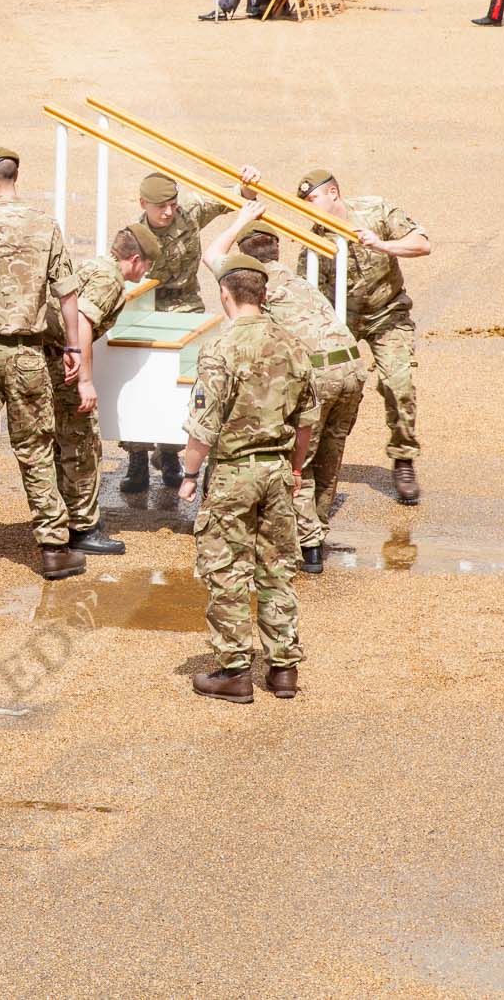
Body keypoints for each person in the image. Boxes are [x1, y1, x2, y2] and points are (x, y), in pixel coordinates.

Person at [176, 253, 317, 705]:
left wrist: (189, 474)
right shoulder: (293, 344)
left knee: (227, 570)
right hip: (277, 469)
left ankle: (235, 670)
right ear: (264, 294)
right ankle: (283, 669)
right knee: (276, 567)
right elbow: (307, 419)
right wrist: (295, 469)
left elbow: (204, 425)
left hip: (234, 472)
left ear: (225, 294)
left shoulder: (219, 349)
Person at [203, 200, 363, 575]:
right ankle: (317, 529)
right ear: (278, 249)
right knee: (330, 455)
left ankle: (308, 548)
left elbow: (211, 253)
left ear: (245, 257)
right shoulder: (297, 280)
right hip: (352, 366)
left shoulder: (256, 281)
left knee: (299, 457)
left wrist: (241, 217)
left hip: (319, 374)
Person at [0, 147, 85, 585]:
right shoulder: (44, 224)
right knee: (35, 449)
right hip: (27, 352)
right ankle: (52, 548)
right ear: (13, 177)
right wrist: (73, 347)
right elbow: (67, 293)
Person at [284, 166, 430, 504]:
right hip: (342, 322)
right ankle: (316, 461)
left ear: (333, 192)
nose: (308, 205)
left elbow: (422, 244)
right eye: (303, 202)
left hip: (387, 313)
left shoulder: (375, 211)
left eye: (313, 198)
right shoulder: (313, 243)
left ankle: (403, 457)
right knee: (326, 386)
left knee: (399, 382)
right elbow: (307, 300)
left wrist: (383, 245)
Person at [51, 224, 161, 558]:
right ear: (136, 259)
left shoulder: (93, 265)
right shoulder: (110, 278)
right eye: (148, 266)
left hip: (51, 360)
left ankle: (62, 519)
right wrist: (85, 379)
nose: (146, 273)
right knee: (82, 444)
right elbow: (83, 322)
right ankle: (82, 527)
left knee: (62, 444)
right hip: (65, 366)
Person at [121, 171, 231, 492]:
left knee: (186, 385)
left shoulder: (190, 212)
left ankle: (170, 455)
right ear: (143, 204)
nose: (168, 212)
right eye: (160, 207)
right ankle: (137, 458)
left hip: (186, 305)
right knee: (139, 383)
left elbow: (229, 196)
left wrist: (245, 184)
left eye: (172, 204)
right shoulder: (133, 233)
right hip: (146, 307)